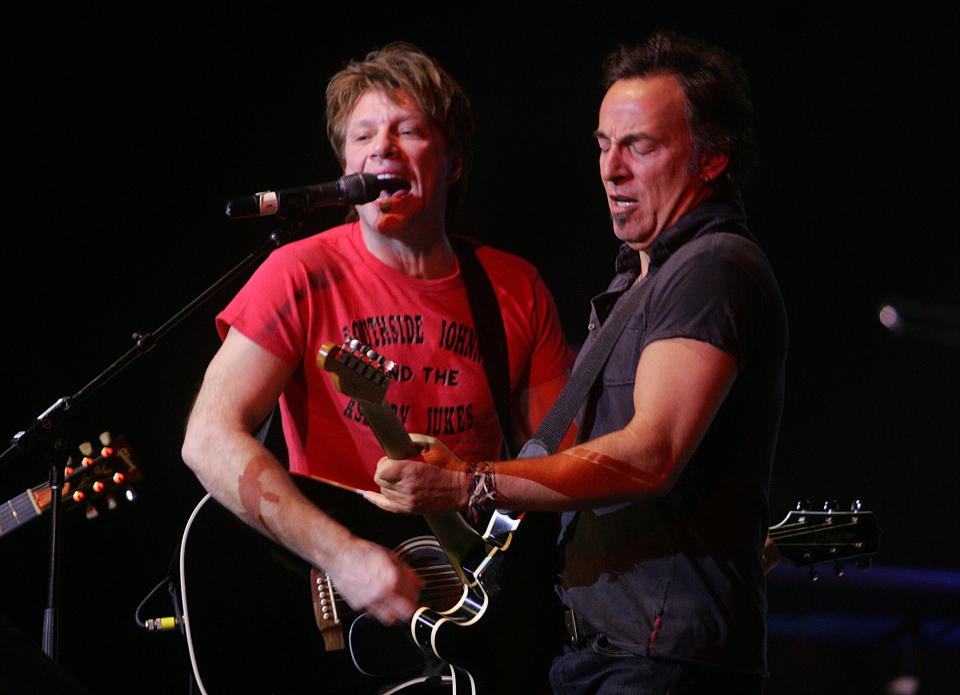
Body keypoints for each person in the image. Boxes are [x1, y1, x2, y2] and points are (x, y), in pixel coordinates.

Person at [368, 32, 788, 694]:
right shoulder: (642, 278)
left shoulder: (712, 269)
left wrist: (473, 481)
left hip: (660, 661)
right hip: (606, 654)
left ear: (712, 160)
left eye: (640, 146)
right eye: (603, 145)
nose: (611, 169)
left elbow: (650, 454)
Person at [181, 42, 572, 690]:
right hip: (331, 616)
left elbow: (567, 470)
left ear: (453, 161)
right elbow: (207, 437)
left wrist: (474, 486)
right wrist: (344, 555)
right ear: (344, 166)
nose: (381, 149)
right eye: (363, 135)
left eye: (409, 131)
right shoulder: (300, 273)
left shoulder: (513, 288)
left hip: (463, 612)